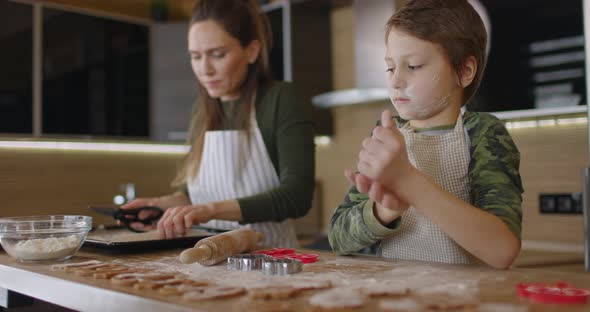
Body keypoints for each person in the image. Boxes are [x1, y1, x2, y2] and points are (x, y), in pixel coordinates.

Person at [328, 0, 523, 269]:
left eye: (414, 65)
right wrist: (383, 211)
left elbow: (502, 250)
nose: (395, 80)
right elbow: (337, 238)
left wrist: (406, 180)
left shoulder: (483, 134)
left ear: (464, 71)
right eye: (390, 67)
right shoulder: (388, 135)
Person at [122, 0, 315, 248]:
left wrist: (210, 210)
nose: (205, 69)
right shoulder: (201, 112)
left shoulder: (280, 100)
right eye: (196, 56)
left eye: (218, 54)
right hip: (209, 259)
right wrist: (161, 205)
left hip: (271, 261)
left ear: (251, 51)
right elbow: (194, 196)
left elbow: (296, 197)